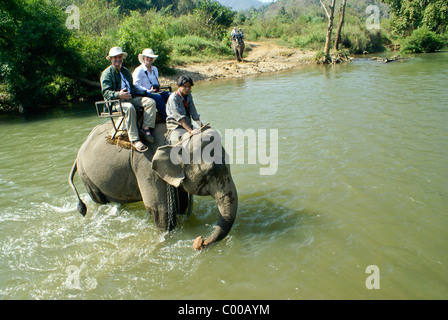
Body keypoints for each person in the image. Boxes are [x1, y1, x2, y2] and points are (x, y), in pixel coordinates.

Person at [100, 47, 157, 152]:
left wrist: (146, 92)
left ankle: (145, 128)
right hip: (116, 102)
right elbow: (106, 93)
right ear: (111, 59)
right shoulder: (107, 73)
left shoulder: (125, 71)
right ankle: (135, 140)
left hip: (130, 97)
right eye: (115, 57)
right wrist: (119, 94)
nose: (118, 59)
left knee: (150, 102)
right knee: (129, 108)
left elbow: (133, 88)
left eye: (120, 57)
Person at [133, 49, 171, 122]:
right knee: (158, 97)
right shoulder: (138, 70)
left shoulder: (154, 69)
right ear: (143, 58)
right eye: (147, 57)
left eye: (151, 57)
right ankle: (165, 118)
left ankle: (174, 115)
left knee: (171, 95)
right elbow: (136, 85)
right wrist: (148, 91)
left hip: (155, 92)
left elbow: (156, 82)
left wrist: (158, 88)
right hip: (145, 93)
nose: (149, 59)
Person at [166, 75, 204, 144]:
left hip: (187, 123)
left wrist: (202, 126)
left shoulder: (188, 96)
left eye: (189, 87)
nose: (187, 89)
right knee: (177, 144)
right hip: (176, 125)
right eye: (185, 86)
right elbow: (179, 118)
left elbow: (194, 113)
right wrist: (190, 131)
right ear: (179, 86)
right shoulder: (173, 98)